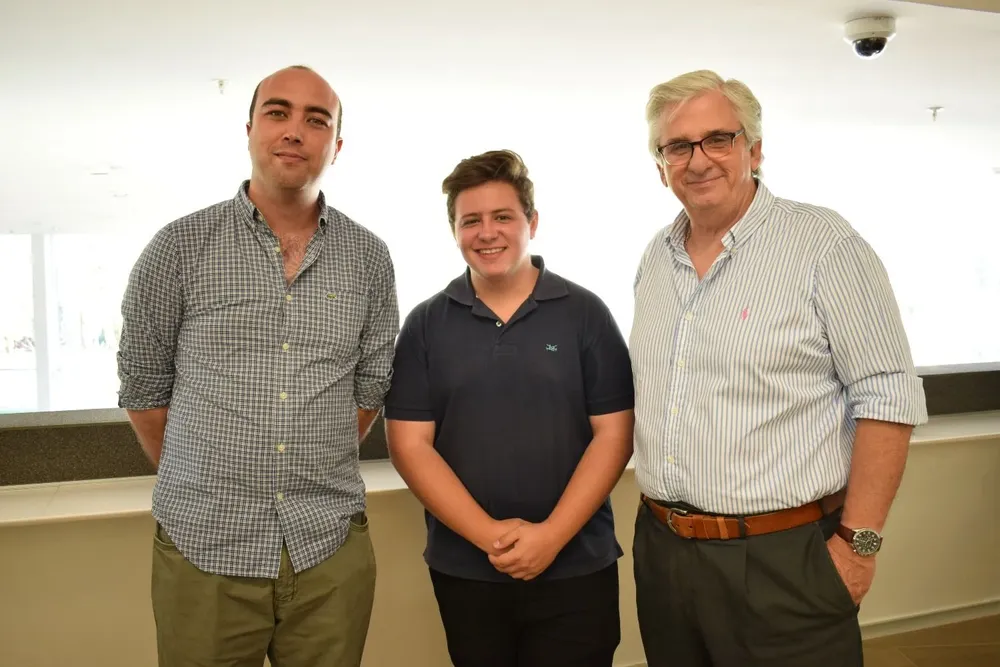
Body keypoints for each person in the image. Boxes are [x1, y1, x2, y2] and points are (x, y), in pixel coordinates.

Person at [629, 69, 928, 667]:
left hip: (782, 558)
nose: (698, 160)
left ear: (755, 149)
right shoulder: (655, 259)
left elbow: (888, 395)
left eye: (718, 139)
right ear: (660, 166)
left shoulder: (824, 244)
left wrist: (858, 546)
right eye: (677, 146)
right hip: (664, 552)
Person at [117, 65, 399, 667]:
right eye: (278, 112)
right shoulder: (178, 247)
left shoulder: (369, 258)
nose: (295, 130)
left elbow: (370, 388)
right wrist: (209, 478)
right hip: (204, 548)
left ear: (336, 146)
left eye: (316, 120)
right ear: (249, 130)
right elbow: (144, 389)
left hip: (327, 548)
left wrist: (306, 460)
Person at [383, 149, 635, 667]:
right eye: (470, 220)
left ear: (532, 223)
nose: (487, 233)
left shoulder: (585, 313)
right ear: (454, 230)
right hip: (467, 569)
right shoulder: (425, 324)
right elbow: (409, 446)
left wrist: (551, 537)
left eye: (502, 217)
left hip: (577, 564)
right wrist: (491, 537)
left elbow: (614, 435)